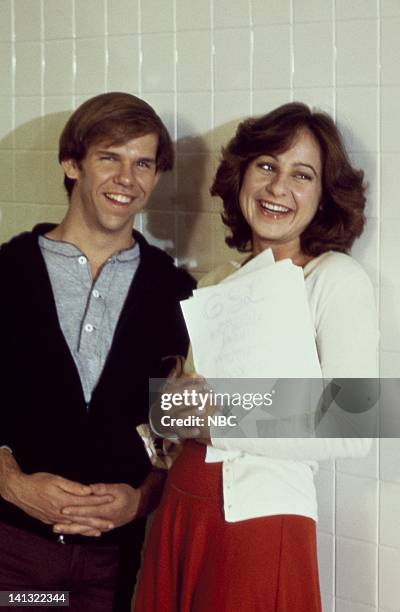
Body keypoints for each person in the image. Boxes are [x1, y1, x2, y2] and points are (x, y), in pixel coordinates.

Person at [134, 102, 378, 611]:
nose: (277, 187)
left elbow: (354, 423)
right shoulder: (218, 280)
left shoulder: (334, 278)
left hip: (258, 520)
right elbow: (174, 413)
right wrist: (174, 407)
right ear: (241, 174)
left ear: (323, 194)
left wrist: (213, 413)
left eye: (301, 175)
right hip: (182, 504)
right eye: (266, 165)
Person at [0, 92, 195, 612]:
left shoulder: (177, 292)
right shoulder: (6, 273)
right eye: (110, 156)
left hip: (116, 563)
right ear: (72, 163)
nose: (126, 178)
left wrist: (142, 498)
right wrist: (10, 482)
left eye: (143, 163)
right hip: (12, 553)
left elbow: (173, 427)